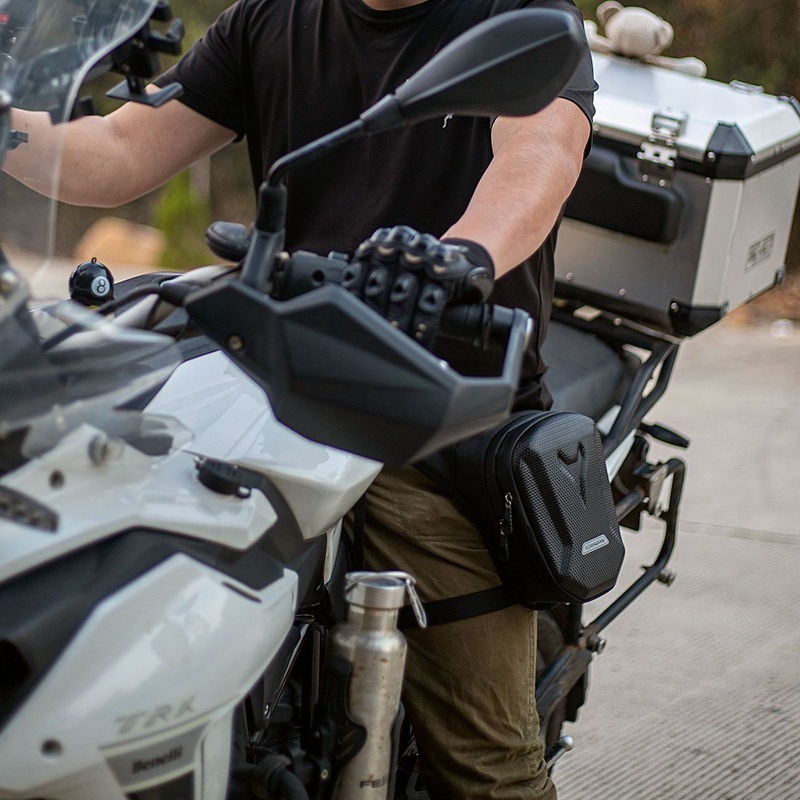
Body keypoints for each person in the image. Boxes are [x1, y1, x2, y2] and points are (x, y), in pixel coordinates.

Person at [7, 1, 595, 797]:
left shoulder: (514, 14)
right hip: (275, 379)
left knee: (488, 769)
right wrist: (4, 123)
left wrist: (460, 258)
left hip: (428, 406)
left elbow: (540, 153)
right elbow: (116, 152)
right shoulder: (272, 17)